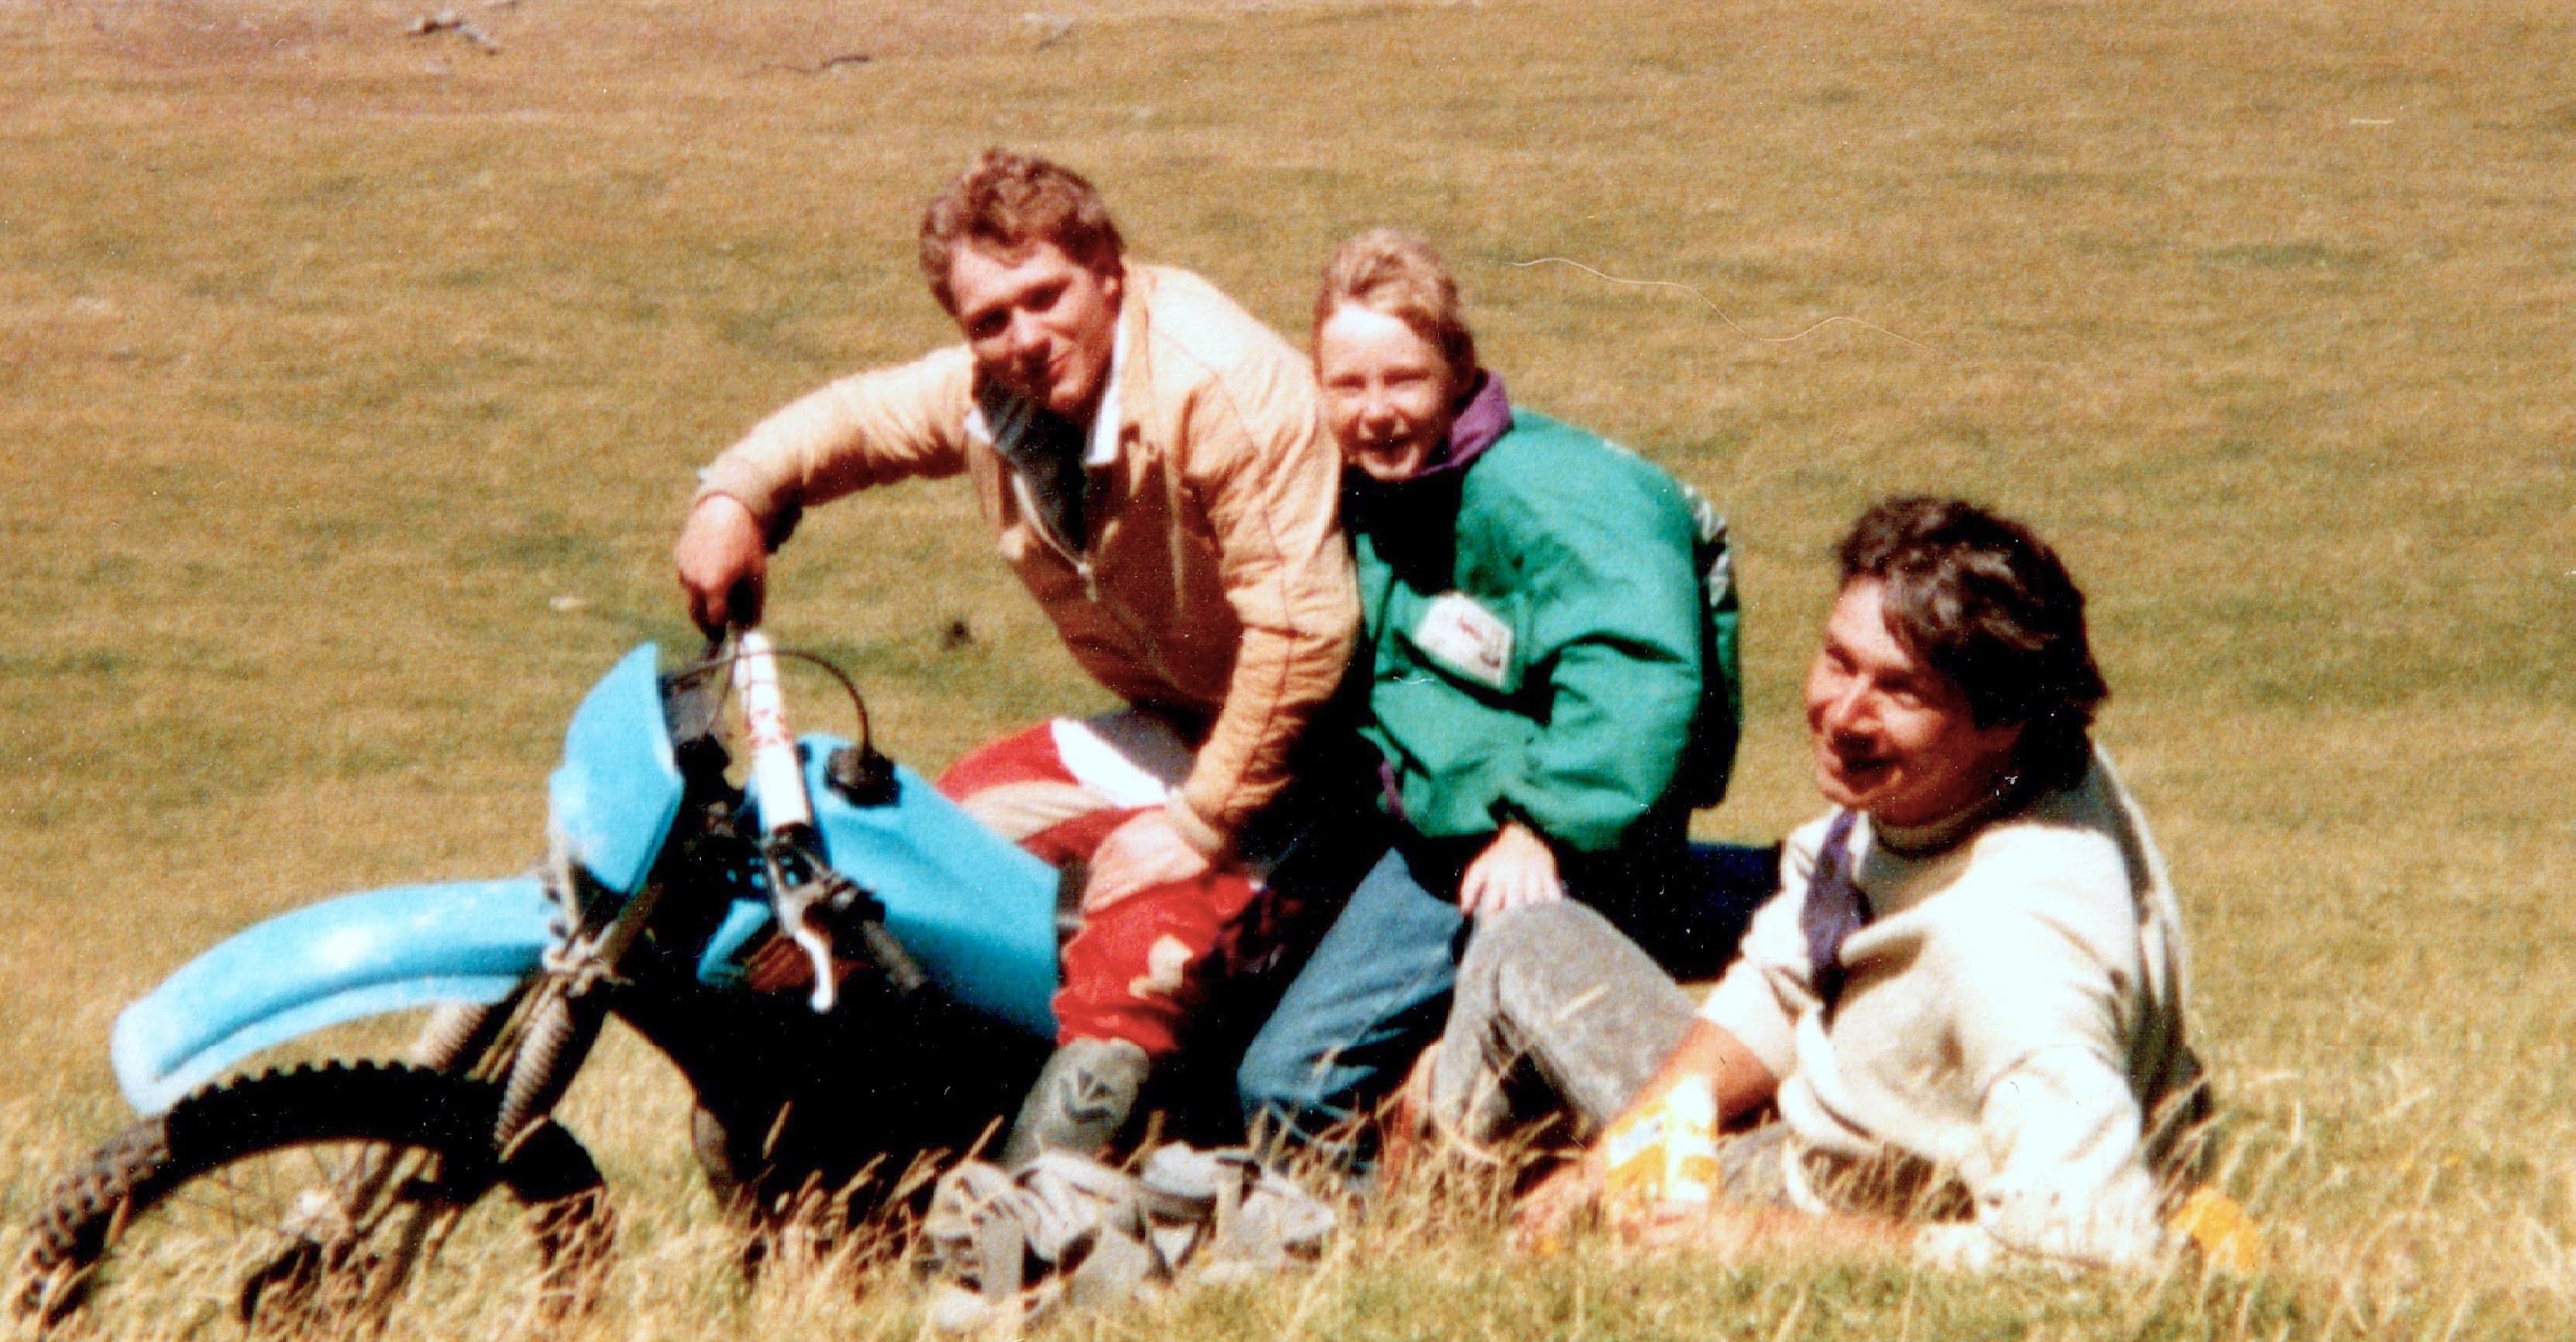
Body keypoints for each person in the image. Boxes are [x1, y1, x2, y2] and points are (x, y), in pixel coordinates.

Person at [676, 149, 1357, 1166]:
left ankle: (1039, 1211)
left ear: (1108, 273)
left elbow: (1305, 634)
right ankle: (895, 1139)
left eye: (1045, 297)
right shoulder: (1000, 390)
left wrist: (1200, 822)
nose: (1024, 338)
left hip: (1327, 752)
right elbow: (859, 418)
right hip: (1190, 719)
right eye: (989, 319)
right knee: (929, 846)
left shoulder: (1216, 388)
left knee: (1137, 944)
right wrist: (734, 494)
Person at [1428, 497, 2212, 1270]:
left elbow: (2089, 1250)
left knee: (1509, 964)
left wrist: (1752, 1238)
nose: (1842, 715)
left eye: (1900, 689)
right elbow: (1784, 975)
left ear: (2002, 719)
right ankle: (1449, 1234)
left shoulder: (2016, 949)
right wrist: (1614, 1158)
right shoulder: (1970, 775)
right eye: (1839, 660)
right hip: (1833, 1120)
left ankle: (1437, 1260)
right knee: (1528, 937)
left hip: (1846, 1208)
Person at [1234, 229, 1751, 1155]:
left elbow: (1634, 675)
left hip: (1554, 838)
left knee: (1310, 1083)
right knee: (1287, 1073)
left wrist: (1538, 826)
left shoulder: (1554, 496)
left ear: (1461, 369)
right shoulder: (1368, 493)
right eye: (1348, 386)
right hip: (1440, 835)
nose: (1376, 412)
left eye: (1404, 380)